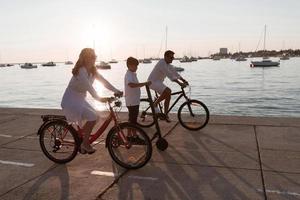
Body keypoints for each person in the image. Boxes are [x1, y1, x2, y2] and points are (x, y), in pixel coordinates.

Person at [61, 48, 122, 154]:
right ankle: (85, 144)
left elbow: (104, 81)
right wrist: (99, 98)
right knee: (92, 117)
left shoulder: (93, 70)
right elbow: (89, 87)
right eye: (91, 57)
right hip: (71, 99)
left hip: (80, 98)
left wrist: (116, 90)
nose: (94, 59)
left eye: (95, 56)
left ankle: (81, 138)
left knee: (96, 116)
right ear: (85, 58)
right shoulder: (81, 71)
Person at [147, 50, 188, 122]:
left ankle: (165, 115)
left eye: (173, 57)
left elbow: (174, 73)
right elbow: (170, 75)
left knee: (168, 94)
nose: (173, 59)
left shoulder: (168, 64)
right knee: (168, 91)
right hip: (152, 82)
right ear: (165, 57)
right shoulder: (162, 63)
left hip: (158, 82)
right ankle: (155, 104)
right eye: (171, 57)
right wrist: (180, 83)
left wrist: (183, 80)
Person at [124, 57, 151, 130]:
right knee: (132, 121)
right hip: (131, 101)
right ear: (129, 65)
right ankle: (131, 136)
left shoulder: (133, 74)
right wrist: (144, 83)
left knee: (133, 120)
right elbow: (131, 85)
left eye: (137, 66)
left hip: (135, 100)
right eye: (135, 65)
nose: (136, 67)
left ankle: (132, 135)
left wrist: (143, 84)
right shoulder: (128, 74)